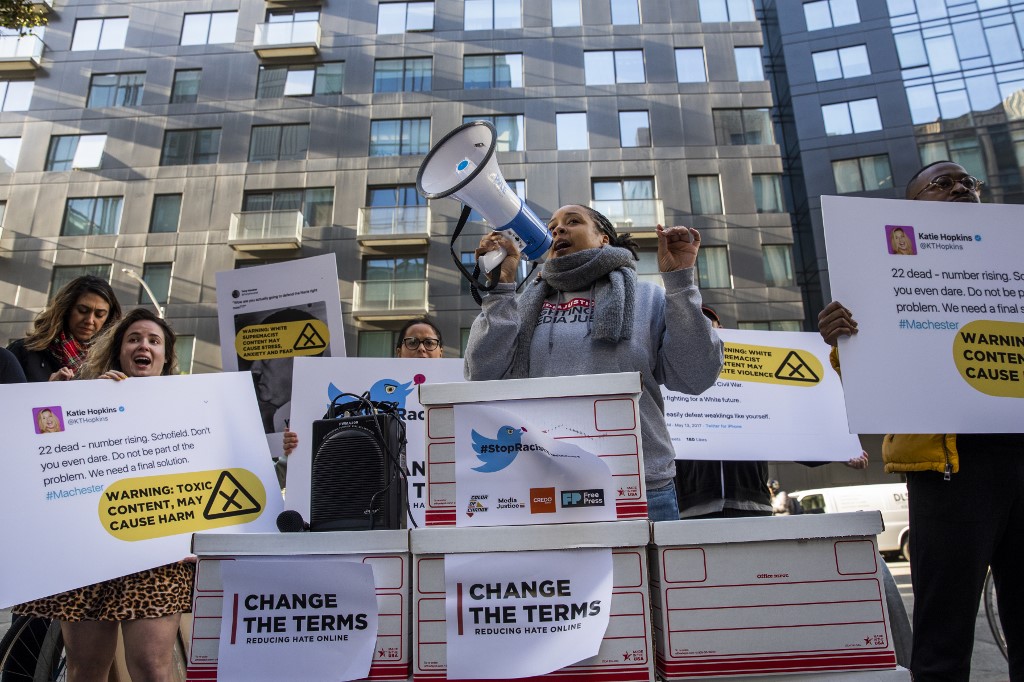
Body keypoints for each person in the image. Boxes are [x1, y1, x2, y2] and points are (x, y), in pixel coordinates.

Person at [819, 160, 1024, 682]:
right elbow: (880, 381)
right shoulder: (879, 269)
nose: (960, 187)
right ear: (910, 208)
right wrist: (845, 342)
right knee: (943, 635)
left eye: (968, 182)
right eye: (942, 183)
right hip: (949, 471)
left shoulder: (1012, 253)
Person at [463, 204, 724, 522]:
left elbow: (697, 375)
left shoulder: (647, 298)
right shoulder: (517, 305)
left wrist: (681, 282)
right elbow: (481, 377)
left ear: (604, 239)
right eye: (552, 225)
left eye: (573, 222)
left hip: (640, 488)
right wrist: (499, 291)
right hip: (541, 487)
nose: (558, 229)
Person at [14, 308, 193, 682]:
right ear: (118, 351)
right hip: (88, 555)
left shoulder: (191, 406)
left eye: (153, 340)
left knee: (151, 667)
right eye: (134, 339)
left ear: (166, 356)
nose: (144, 345)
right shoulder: (83, 397)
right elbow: (42, 456)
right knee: (86, 671)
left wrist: (285, 445)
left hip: (156, 555)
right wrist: (54, 401)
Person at [676, 306, 774, 518]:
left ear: (723, 330)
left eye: (711, 328)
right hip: (694, 505)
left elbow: (781, 420)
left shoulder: (752, 376)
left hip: (752, 501)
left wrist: (839, 453)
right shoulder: (671, 371)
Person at [7, 275, 122, 382]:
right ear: (66, 309)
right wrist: (47, 391)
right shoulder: (23, 352)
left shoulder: (114, 361)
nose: (89, 320)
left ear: (108, 319)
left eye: (99, 314)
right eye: (82, 310)